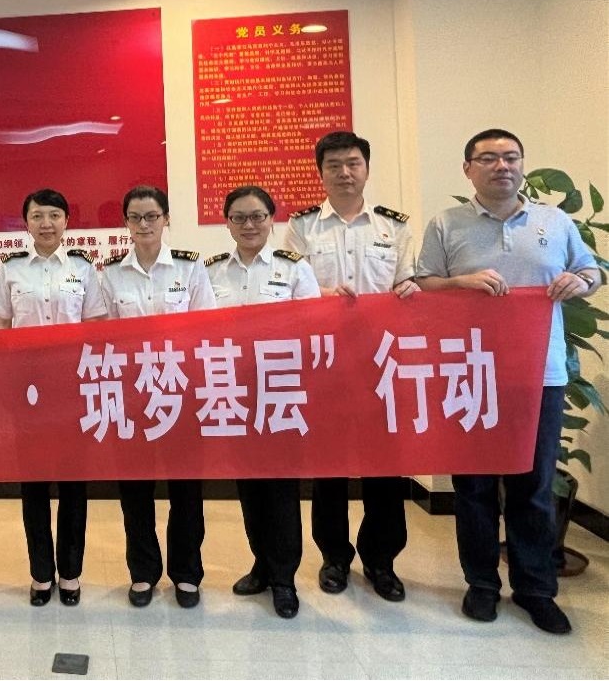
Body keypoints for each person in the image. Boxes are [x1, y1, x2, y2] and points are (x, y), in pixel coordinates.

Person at [416, 128, 599, 635]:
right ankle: (481, 584)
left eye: (511, 157)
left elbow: (591, 272)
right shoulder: (446, 223)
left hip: (540, 375)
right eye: (489, 158)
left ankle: (536, 589)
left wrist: (581, 280)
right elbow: (422, 284)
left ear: (522, 165)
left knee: (533, 485)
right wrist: (459, 283)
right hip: (469, 374)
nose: (502, 166)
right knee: (472, 486)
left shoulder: (554, 221)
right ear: (468, 169)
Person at [284, 131, 419, 602]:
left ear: (366, 168)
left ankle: (381, 560)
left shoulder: (393, 227)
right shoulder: (303, 227)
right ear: (320, 172)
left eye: (353, 163)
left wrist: (410, 289)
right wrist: (323, 295)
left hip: (382, 362)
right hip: (325, 362)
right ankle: (334, 557)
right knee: (330, 467)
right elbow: (291, 286)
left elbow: (409, 282)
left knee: (385, 465)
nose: (344, 172)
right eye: (334, 165)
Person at [98, 185, 216, 609]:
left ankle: (186, 573)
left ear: (166, 219)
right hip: (131, 399)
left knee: (186, 492)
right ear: (126, 223)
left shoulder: (190, 267)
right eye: (135, 217)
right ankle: (143, 572)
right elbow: (103, 337)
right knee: (135, 492)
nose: (143, 224)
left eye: (151, 216)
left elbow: (206, 329)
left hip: (181, 395)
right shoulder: (110, 273)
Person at [0, 189, 107, 608]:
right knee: (34, 486)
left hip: (73, 390)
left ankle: (70, 573)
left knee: (74, 486)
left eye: (54, 215)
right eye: (37, 216)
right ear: (26, 223)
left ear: (66, 221)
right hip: (27, 392)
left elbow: (96, 328)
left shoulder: (83, 268)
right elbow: (0, 330)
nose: (46, 223)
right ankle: (41, 574)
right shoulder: (10, 270)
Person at [206, 185, 319, 619]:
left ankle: (284, 578)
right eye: (239, 217)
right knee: (249, 485)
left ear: (272, 219)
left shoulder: (294, 269)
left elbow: (313, 328)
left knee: (281, 487)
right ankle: (261, 564)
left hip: (281, 392)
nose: (249, 225)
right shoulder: (212, 272)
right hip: (232, 391)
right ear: (227, 223)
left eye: (257, 216)